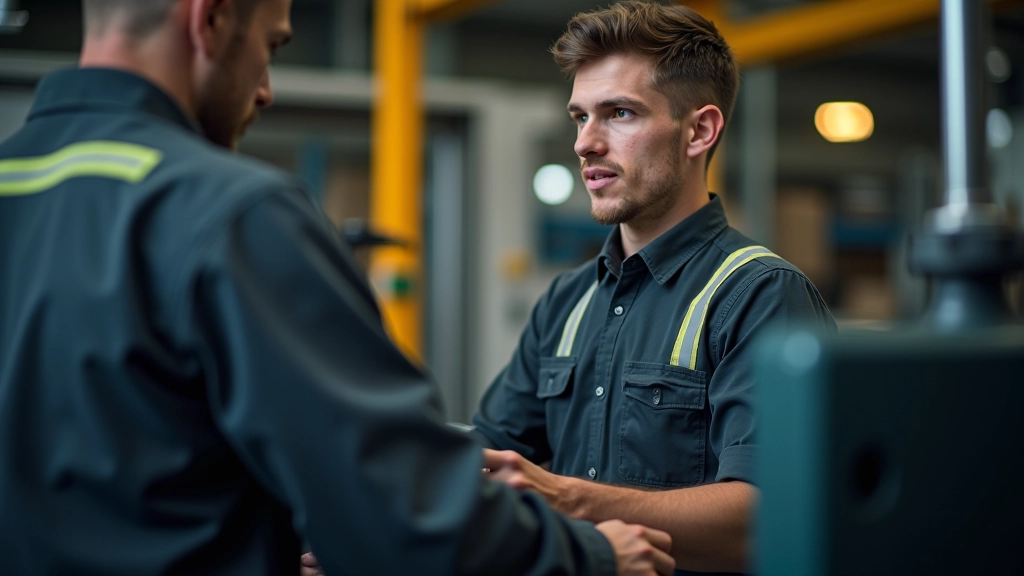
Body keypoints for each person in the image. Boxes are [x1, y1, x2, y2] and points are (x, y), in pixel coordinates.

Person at [0, 0, 677, 574]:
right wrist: (589, 554)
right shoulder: (230, 213)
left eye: (617, 114)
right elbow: (403, 507)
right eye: (268, 47)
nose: (264, 88)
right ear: (209, 19)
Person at [470, 2, 837, 574]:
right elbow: (492, 458)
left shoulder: (760, 296)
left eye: (618, 113)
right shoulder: (566, 303)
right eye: (579, 117)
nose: (585, 144)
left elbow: (773, 515)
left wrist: (570, 501)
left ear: (699, 131)